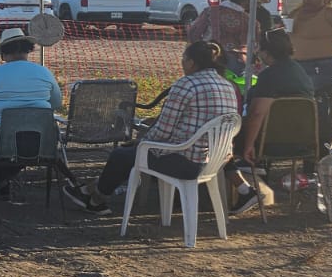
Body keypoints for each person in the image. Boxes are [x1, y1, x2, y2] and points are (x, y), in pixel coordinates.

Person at [64, 41, 241, 213]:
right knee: (130, 155)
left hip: (185, 161)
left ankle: (96, 199)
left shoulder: (186, 84)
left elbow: (163, 130)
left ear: (192, 62)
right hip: (214, 162)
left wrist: (140, 143)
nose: (181, 63)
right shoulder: (227, 86)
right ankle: (90, 192)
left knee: (121, 155)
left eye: (183, 59)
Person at [228, 28, 314, 213]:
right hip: (303, 140)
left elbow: (257, 114)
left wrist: (248, 147)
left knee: (223, 137)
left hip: (271, 142)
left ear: (266, 52)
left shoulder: (270, 76)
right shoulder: (299, 72)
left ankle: (244, 190)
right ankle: (255, 172)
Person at [0, 28, 63, 197]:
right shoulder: (44, 72)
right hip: (41, 140)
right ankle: (1, 178)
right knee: (23, 148)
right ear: (28, 50)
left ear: (3, 54)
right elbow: (56, 103)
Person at [187, 0, 270, 76]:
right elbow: (255, 44)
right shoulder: (250, 20)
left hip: (211, 57)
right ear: (242, 1)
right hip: (239, 61)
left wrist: (199, 49)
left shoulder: (210, 12)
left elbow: (194, 32)